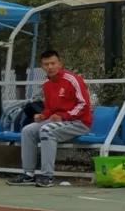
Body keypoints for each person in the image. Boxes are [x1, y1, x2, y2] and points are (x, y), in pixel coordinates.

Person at [6, 50, 92, 188]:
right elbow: (50, 108)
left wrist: (64, 116)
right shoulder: (47, 84)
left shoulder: (73, 79)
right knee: (27, 130)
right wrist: (43, 115)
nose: (50, 67)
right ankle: (28, 174)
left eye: (53, 63)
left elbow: (84, 104)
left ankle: (47, 176)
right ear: (42, 66)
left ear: (60, 64)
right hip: (58, 122)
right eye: (46, 64)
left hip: (79, 123)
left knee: (47, 130)